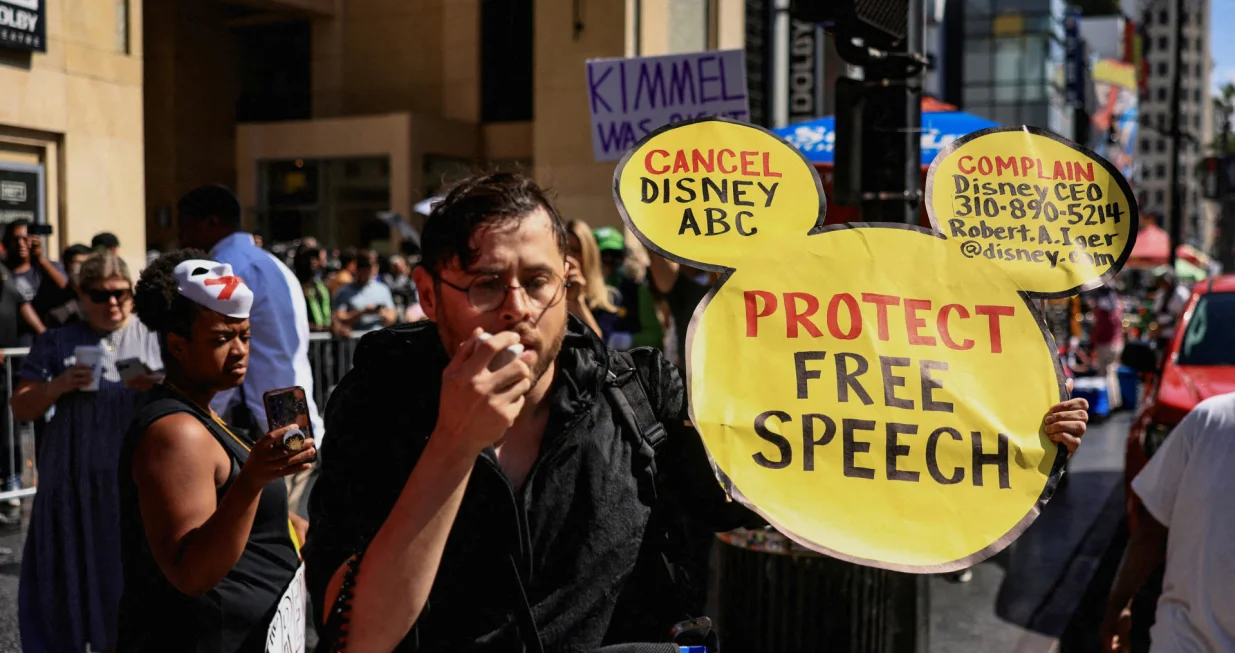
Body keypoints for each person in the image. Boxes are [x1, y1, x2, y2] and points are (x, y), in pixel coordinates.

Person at [302, 172, 1092, 652]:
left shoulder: (641, 396)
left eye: (536, 281)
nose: (515, 309)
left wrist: (1009, 437)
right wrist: (451, 445)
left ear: (570, 281)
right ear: (426, 296)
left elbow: (812, 482)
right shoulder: (380, 406)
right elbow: (355, 635)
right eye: (482, 284)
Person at [117, 250, 317, 652]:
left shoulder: (207, 416)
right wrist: (254, 478)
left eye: (244, 335)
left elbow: (249, 518)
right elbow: (192, 572)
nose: (240, 350)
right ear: (177, 345)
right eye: (221, 339)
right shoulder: (176, 433)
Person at [11, 251, 162, 653]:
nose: (112, 303)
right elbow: (21, 405)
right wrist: (57, 386)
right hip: (71, 484)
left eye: (121, 294)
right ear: (80, 294)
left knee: (125, 578)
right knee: (67, 579)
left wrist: (158, 388)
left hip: (132, 483)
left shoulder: (154, 334)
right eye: (99, 295)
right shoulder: (57, 339)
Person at [176, 184, 324, 447]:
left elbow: (220, 354)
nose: (181, 237)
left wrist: (201, 420)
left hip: (256, 425)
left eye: (184, 225)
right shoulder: (273, 264)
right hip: (289, 411)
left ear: (210, 222)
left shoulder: (224, 271)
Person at [1101, 393, 1235, 653]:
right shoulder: (1209, 418)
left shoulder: (1211, 417)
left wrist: (1118, 605)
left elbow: (1150, 531)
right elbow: (1151, 531)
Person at [593, 225, 663, 351]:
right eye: (603, 254)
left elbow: (655, 336)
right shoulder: (580, 291)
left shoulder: (636, 291)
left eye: (615, 254)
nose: (609, 260)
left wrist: (629, 340)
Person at [4, 219, 70, 344]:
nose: (21, 244)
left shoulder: (46, 267)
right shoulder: (4, 272)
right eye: (16, 239)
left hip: (49, 338)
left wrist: (41, 259)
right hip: (17, 340)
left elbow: (66, 288)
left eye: (25, 239)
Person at [564, 219, 612, 338]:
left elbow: (601, 348)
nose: (568, 256)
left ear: (588, 255)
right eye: (564, 249)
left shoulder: (608, 298)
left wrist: (577, 301)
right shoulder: (549, 293)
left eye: (575, 250)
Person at [332, 249, 397, 333]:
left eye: (369, 266)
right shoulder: (344, 291)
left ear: (375, 267)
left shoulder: (383, 289)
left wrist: (381, 313)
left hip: (379, 342)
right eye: (362, 265)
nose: (365, 270)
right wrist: (363, 312)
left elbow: (392, 317)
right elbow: (339, 318)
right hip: (355, 343)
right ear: (356, 267)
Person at [38, 243, 91, 330]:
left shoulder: (98, 297)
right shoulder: (56, 303)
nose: (83, 268)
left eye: (87, 263)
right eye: (78, 263)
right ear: (66, 267)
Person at [1089, 285, 1124, 410]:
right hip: (1117, 344)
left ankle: (1107, 404)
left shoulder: (1101, 311)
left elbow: (1098, 330)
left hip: (1105, 345)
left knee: (1104, 374)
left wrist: (1092, 343)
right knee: (1112, 372)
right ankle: (1115, 401)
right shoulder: (1118, 308)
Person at [293, 245, 332, 333]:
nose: (312, 261)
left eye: (315, 257)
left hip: (324, 339)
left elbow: (330, 310)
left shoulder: (320, 285)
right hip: (306, 339)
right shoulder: (294, 285)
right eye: (308, 257)